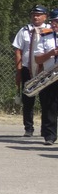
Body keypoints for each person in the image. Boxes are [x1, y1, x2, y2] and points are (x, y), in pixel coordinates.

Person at [14, 5, 49, 137]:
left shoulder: (49, 30)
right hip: (27, 70)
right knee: (28, 99)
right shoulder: (24, 30)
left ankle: (46, 129)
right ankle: (28, 128)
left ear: (45, 16)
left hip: (45, 70)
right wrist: (18, 70)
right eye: (34, 14)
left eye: (39, 15)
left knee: (46, 101)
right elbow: (18, 50)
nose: (36, 17)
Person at [32, 8, 58, 145]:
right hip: (51, 75)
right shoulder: (45, 37)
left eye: (57, 21)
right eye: (53, 21)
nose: (54, 24)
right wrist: (51, 53)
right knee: (49, 106)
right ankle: (50, 136)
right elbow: (38, 59)